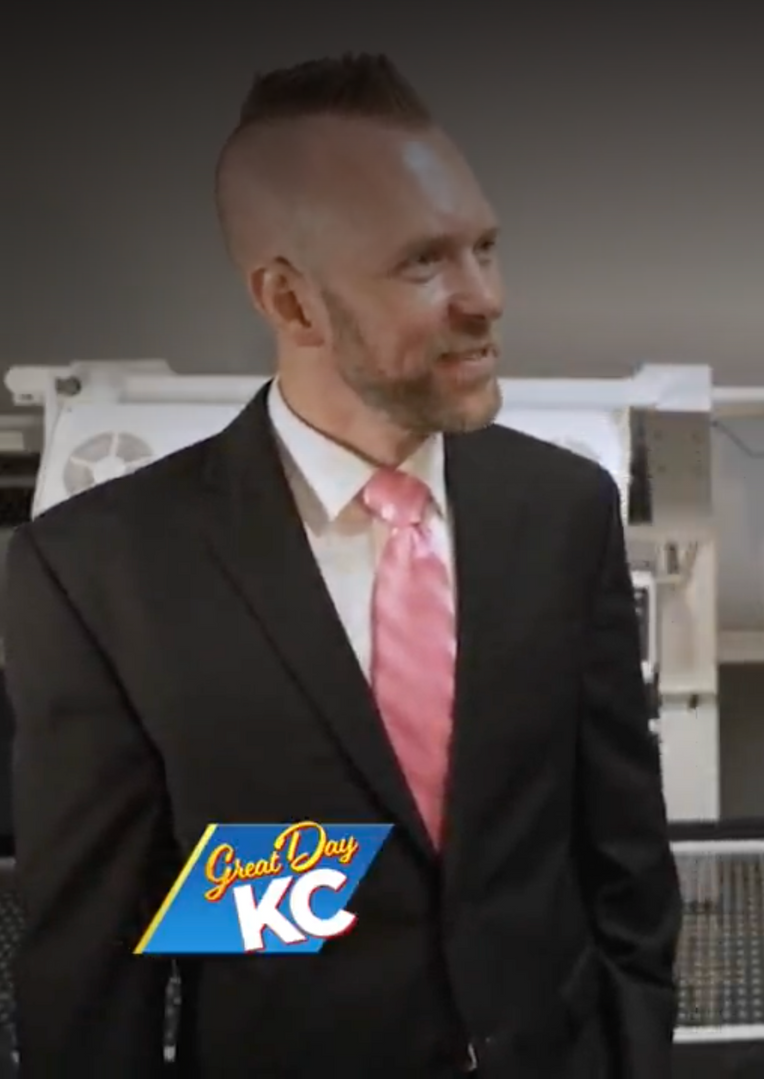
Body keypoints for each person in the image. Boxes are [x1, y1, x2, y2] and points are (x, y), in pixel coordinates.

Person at [5, 54, 680, 1077]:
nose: (485, 296)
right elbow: (95, 966)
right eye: (424, 263)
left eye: (486, 248)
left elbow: (624, 864)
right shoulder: (102, 573)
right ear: (292, 301)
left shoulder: (564, 513)